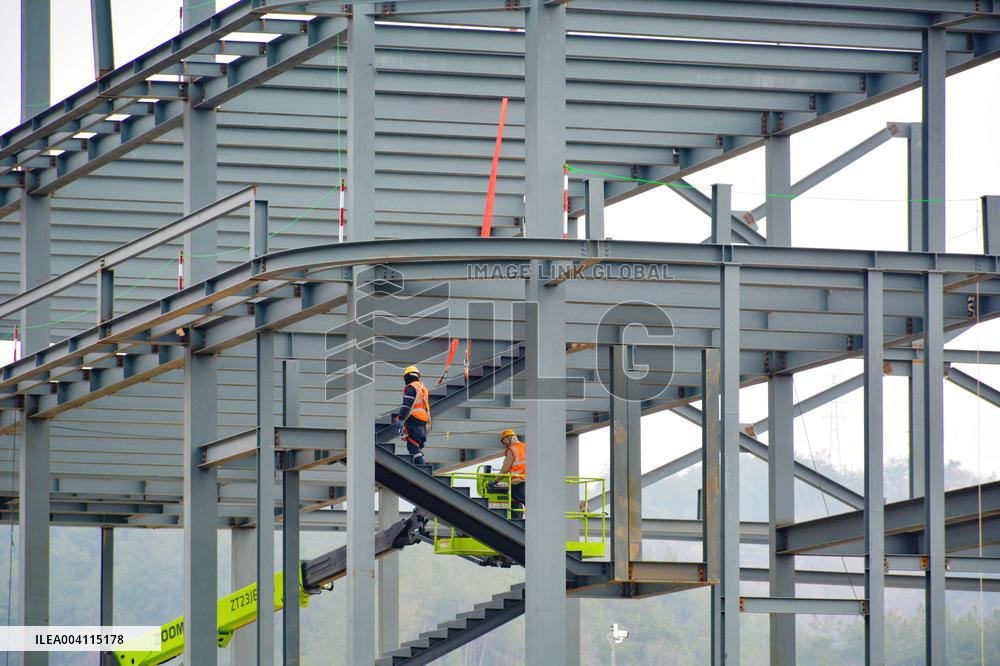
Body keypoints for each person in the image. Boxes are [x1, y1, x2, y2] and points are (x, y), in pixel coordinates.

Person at [396, 365, 430, 465]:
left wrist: (401, 418)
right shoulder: (423, 388)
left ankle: (421, 467)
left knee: (413, 446)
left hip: (414, 419)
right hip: (423, 420)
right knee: (417, 445)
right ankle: (422, 463)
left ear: (407, 377)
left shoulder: (411, 387)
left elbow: (407, 404)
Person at [496, 428, 526, 509]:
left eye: (505, 441)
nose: (506, 445)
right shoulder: (526, 447)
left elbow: (505, 468)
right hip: (529, 482)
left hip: (517, 483)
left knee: (515, 503)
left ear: (509, 438)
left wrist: (496, 481)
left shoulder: (512, 449)